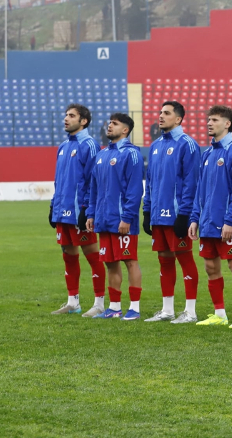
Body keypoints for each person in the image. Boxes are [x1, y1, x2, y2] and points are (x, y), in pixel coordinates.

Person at [189, 106, 232, 329]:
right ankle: (219, 314)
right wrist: (194, 218)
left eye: (214, 120)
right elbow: (200, 191)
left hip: (227, 225)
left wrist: (231, 221)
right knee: (210, 267)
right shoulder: (207, 154)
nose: (209, 123)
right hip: (207, 223)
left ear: (227, 124)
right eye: (208, 119)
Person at [142, 101, 201, 324]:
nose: (160, 116)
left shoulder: (188, 145)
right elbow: (151, 182)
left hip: (177, 215)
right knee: (164, 260)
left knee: (185, 259)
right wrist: (147, 211)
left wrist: (185, 214)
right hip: (158, 215)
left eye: (166, 113)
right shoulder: (156, 145)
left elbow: (191, 182)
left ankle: (190, 311)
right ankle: (167, 310)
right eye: (160, 112)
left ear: (178, 119)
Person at [86, 113, 144, 320]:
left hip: (122, 220)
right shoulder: (101, 155)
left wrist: (127, 217)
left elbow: (135, 190)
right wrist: (91, 214)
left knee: (129, 261)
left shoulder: (131, 154)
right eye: (109, 123)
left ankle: (135, 308)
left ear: (125, 130)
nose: (109, 126)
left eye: (115, 124)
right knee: (110, 263)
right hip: (103, 220)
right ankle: (115, 307)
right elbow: (94, 189)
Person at [49, 104, 105, 317]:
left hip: (79, 211)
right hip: (62, 211)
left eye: (71, 116)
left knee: (92, 255)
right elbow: (59, 181)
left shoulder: (90, 145)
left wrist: (87, 209)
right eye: (65, 115)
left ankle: (99, 303)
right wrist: (53, 206)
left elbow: (94, 180)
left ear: (83, 121)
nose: (66, 119)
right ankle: (73, 302)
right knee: (68, 254)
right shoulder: (63, 146)